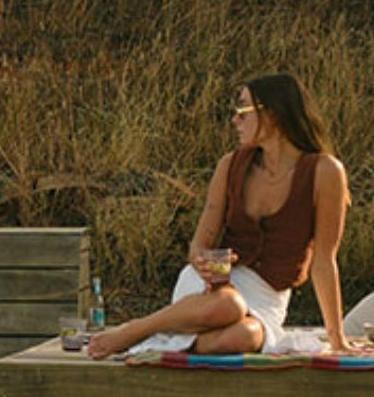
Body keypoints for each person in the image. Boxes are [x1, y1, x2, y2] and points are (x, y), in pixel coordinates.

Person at [86, 74, 352, 358]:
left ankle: (167, 341)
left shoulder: (325, 172)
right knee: (228, 306)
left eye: (242, 111)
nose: (235, 121)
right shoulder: (230, 166)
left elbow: (324, 261)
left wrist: (337, 340)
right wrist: (203, 263)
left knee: (244, 336)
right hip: (212, 291)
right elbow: (199, 245)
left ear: (271, 115)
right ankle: (135, 331)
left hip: (267, 296)